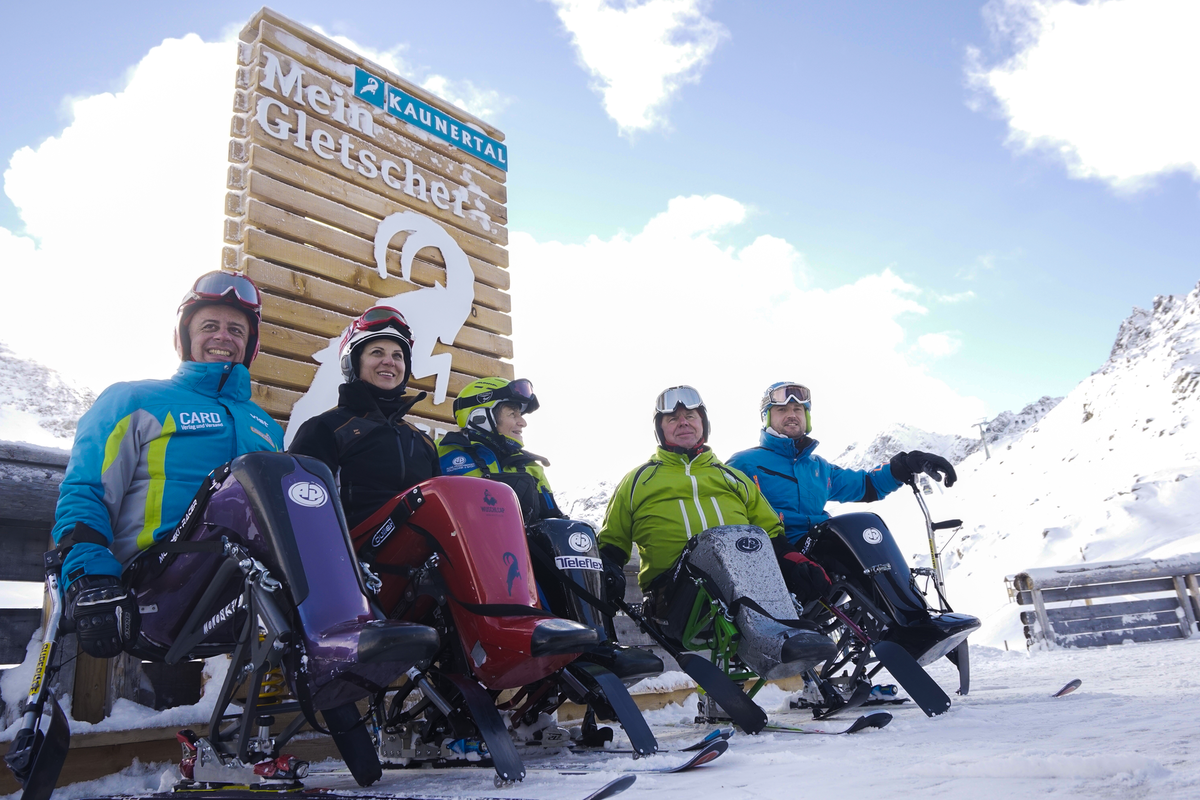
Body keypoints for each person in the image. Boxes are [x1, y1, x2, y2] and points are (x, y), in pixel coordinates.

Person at [52, 271, 285, 660]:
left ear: (250, 345)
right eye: (209, 326)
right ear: (184, 336)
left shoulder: (268, 429)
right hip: (157, 581)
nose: (223, 337)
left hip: (248, 589)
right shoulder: (135, 401)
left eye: (236, 330)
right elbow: (87, 489)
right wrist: (89, 574)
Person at [596, 385, 832, 618]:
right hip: (673, 595)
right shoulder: (638, 481)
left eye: (691, 416)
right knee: (708, 550)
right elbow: (613, 542)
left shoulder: (733, 478)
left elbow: (770, 532)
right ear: (660, 429)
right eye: (673, 419)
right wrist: (609, 570)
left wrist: (796, 562)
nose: (683, 423)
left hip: (746, 585)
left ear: (703, 424)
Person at [727, 381, 957, 549]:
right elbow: (727, 518)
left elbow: (867, 485)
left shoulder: (819, 468)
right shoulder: (744, 464)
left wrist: (906, 464)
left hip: (822, 546)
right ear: (767, 418)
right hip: (775, 552)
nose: (792, 415)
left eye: (798, 409)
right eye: (782, 410)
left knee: (870, 537)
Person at [288, 306, 439, 530]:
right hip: (347, 550)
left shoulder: (423, 442)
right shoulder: (325, 429)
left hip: (419, 551)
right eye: (377, 352)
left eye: (397, 356)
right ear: (352, 362)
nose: (389, 362)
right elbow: (298, 511)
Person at [437, 377, 563, 524]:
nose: (523, 423)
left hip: (516, 540)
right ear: (481, 417)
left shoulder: (532, 468)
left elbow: (552, 525)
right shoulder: (439, 451)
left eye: (520, 415)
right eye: (512, 414)